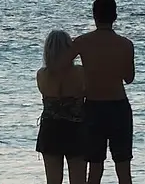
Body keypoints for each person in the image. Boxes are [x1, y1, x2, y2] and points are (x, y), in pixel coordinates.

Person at [57, 0, 135, 184]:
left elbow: (60, 67)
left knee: (94, 169)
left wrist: (80, 84)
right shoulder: (125, 44)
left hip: (93, 107)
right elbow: (129, 78)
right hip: (119, 107)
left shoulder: (82, 42)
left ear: (94, 16)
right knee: (123, 169)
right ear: (115, 17)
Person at [35, 30, 86, 184]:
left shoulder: (42, 75)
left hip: (50, 129)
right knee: (78, 180)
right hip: (76, 129)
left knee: (53, 181)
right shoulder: (80, 72)